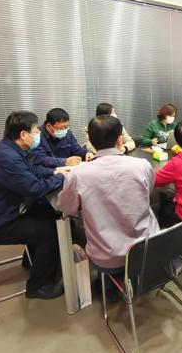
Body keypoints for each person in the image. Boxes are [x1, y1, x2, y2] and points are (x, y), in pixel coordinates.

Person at [0, 111, 65, 299]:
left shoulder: (10, 149)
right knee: (49, 232)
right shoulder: (8, 158)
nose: (38, 133)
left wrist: (54, 172)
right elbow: (35, 189)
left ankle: (33, 261)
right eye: (35, 130)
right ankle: (38, 287)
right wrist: (62, 177)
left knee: (50, 212)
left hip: (4, 211)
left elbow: (32, 169)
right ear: (23, 134)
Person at [57, 115, 159, 272]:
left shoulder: (78, 175)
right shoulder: (142, 165)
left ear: (91, 142)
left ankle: (106, 282)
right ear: (120, 140)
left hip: (108, 257)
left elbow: (66, 208)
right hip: (148, 246)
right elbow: (149, 191)